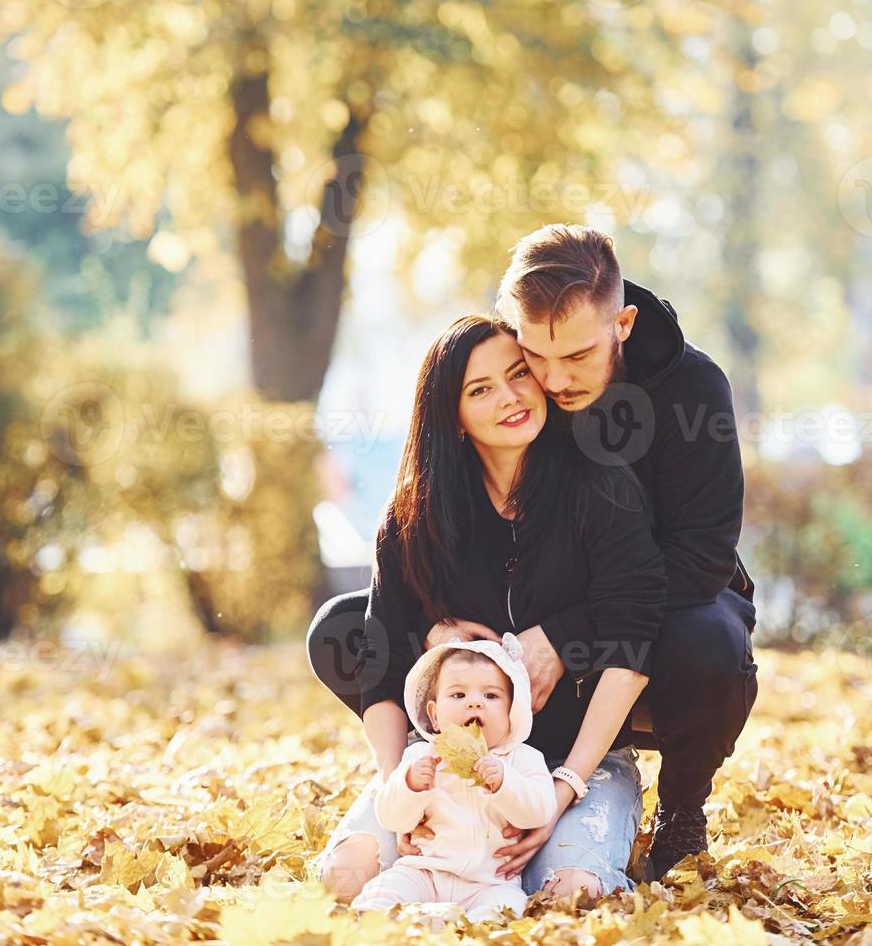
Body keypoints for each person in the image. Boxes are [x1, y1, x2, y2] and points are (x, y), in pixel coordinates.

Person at [309, 224, 758, 885]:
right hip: (532, 604)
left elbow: (702, 559)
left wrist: (567, 636)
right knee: (350, 628)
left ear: (623, 324)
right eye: (531, 358)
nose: (550, 380)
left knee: (706, 639)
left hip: (665, 609)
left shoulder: (692, 391)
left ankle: (681, 810)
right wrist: (443, 630)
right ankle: (453, 759)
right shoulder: (514, 391)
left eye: (575, 357)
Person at [316, 315, 663, 905]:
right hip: (447, 772)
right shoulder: (412, 517)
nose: (511, 397)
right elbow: (382, 658)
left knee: (568, 898)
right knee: (343, 880)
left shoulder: (600, 486)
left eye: (519, 374)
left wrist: (559, 794)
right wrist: (399, 785)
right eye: (481, 390)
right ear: (451, 414)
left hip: (571, 763)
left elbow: (633, 638)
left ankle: (556, 860)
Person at [351, 635, 557, 921]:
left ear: (513, 710)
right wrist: (409, 785)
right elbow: (391, 819)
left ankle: (470, 929)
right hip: (424, 871)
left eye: (491, 696)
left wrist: (506, 784)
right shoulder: (421, 757)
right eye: (459, 695)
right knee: (385, 892)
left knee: (506, 909)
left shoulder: (522, 760)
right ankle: (380, 925)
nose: (475, 704)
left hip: (490, 882)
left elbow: (539, 812)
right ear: (434, 715)